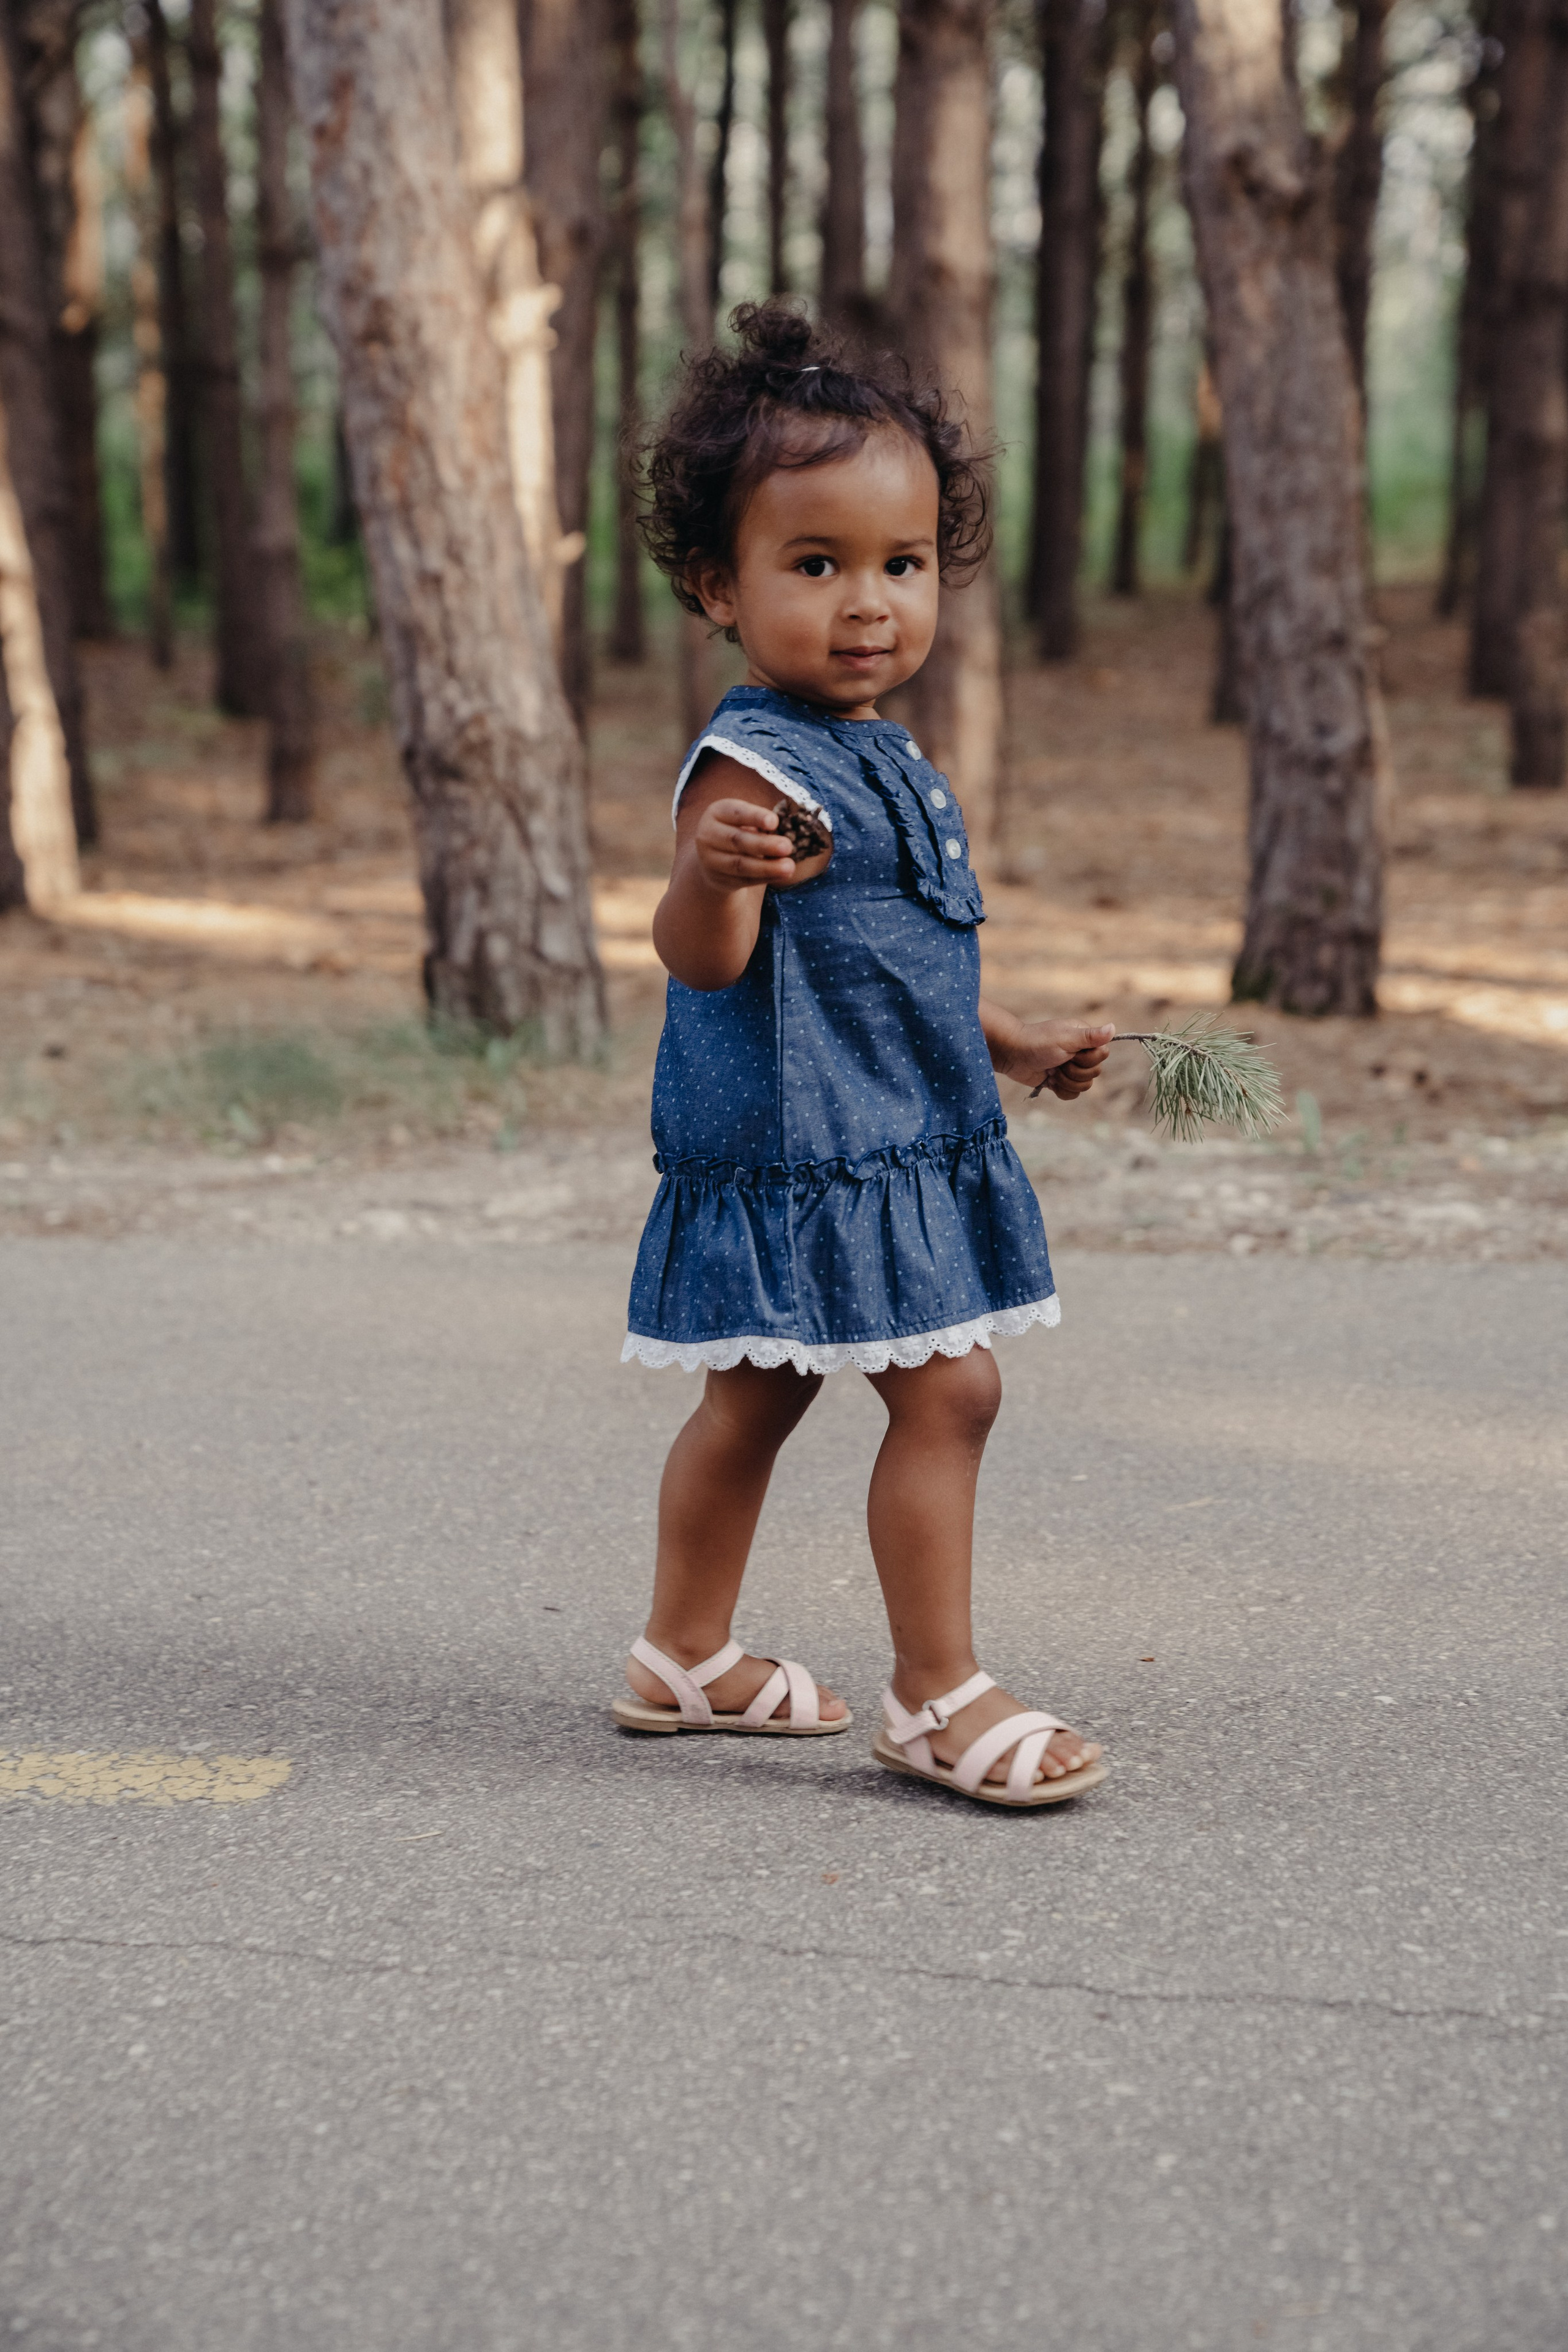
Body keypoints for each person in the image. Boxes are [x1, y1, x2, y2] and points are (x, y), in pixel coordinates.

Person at [613, 303, 1112, 1808]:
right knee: (950, 1393)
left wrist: (1007, 1042)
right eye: (815, 565)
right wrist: (710, 877)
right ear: (719, 585)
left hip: (884, 1124)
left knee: (756, 1397)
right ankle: (933, 1695)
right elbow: (703, 960)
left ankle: (682, 1655)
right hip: (805, 1149)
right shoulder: (751, 764)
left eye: (899, 564)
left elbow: (892, 961)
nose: (867, 605)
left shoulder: (880, 747)